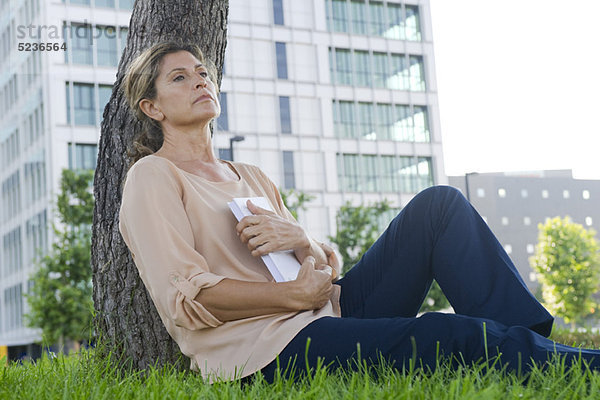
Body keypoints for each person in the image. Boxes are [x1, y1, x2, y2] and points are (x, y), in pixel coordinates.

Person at [118, 42, 600, 383]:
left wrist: (303, 241)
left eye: (202, 71)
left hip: (330, 310)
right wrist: (289, 297)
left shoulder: (250, 175)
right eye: (179, 78)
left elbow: (321, 274)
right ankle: (570, 365)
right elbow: (185, 299)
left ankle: (537, 348)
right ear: (152, 107)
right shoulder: (153, 177)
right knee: (448, 333)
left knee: (439, 206)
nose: (200, 80)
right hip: (263, 352)